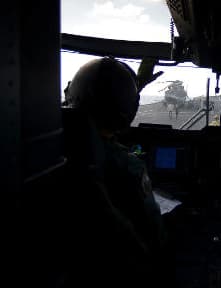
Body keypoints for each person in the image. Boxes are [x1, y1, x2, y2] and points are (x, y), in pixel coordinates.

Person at [63, 56, 166, 264]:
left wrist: (135, 87)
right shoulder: (129, 167)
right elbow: (155, 236)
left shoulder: (47, 145)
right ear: (127, 114)